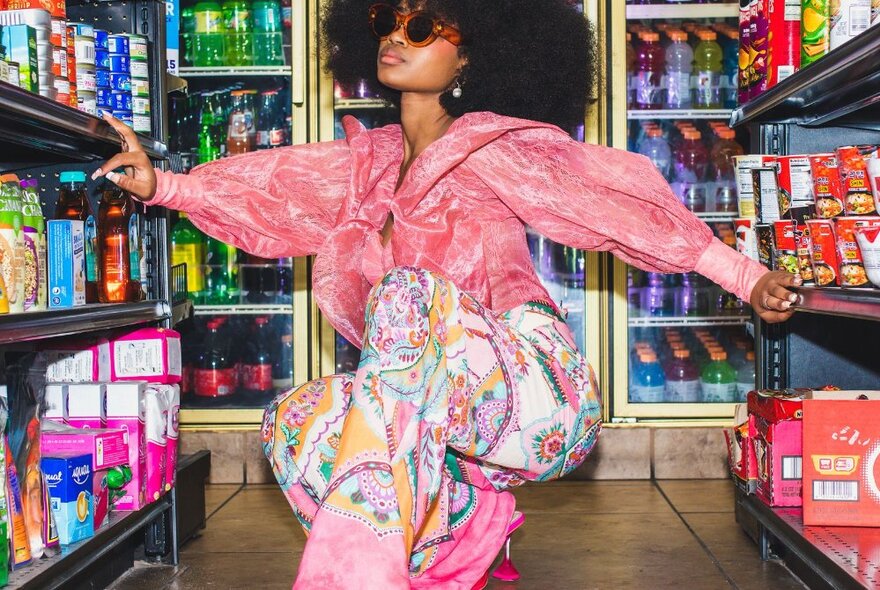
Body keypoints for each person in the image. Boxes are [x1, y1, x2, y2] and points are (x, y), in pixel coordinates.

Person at [94, 1, 800, 587]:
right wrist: (165, 187)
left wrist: (748, 277)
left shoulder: (495, 144)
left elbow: (612, 205)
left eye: (424, 26)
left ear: (472, 57)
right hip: (435, 415)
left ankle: (349, 578)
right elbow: (275, 188)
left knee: (405, 294)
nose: (397, 36)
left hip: (532, 391)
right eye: (385, 21)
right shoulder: (365, 162)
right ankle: (463, 528)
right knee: (293, 419)